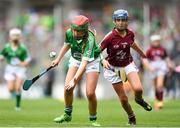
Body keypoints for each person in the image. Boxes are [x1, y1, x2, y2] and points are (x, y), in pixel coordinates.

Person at [100, 9, 152, 124]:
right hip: (113, 69)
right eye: (118, 20)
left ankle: (139, 99)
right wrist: (102, 60)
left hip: (128, 64)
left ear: (127, 21)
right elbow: (96, 50)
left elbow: (132, 43)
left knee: (138, 89)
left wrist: (141, 53)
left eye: (123, 20)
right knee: (123, 99)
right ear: (114, 21)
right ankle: (131, 116)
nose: (121, 22)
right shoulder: (109, 36)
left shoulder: (130, 33)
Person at [51, 15, 101, 126]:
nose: (75, 33)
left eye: (78, 31)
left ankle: (93, 119)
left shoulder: (90, 39)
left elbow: (84, 64)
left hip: (91, 61)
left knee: (90, 93)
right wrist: (58, 59)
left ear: (84, 30)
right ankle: (67, 114)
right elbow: (67, 45)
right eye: (74, 30)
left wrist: (75, 79)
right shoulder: (69, 32)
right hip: (76, 58)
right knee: (67, 88)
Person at [0, 28, 31, 110]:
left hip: (19, 69)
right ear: (10, 37)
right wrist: (2, 58)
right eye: (13, 35)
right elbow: (2, 55)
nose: (15, 37)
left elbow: (27, 59)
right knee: (10, 89)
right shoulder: (7, 47)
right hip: (10, 68)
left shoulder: (23, 48)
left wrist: (22, 63)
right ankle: (16, 94)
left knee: (18, 87)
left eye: (17, 35)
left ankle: (17, 105)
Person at [143, 34, 173, 110]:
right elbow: (145, 60)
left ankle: (160, 101)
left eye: (158, 41)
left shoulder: (163, 49)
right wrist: (149, 67)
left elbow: (166, 58)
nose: (157, 42)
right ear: (152, 42)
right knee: (155, 86)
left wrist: (169, 65)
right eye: (155, 41)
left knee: (160, 85)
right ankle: (157, 101)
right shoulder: (149, 50)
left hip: (161, 67)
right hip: (153, 67)